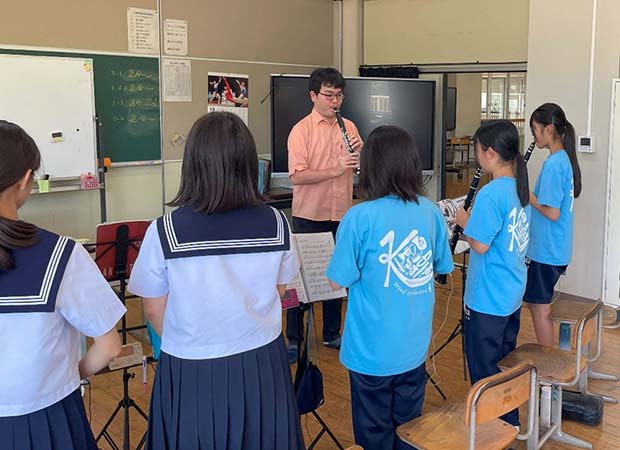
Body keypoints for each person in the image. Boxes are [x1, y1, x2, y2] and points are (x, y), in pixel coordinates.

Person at [128, 112, 304, 450]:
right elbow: (279, 290)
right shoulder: (278, 223)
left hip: (191, 364)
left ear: (193, 163)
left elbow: (153, 309)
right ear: (248, 164)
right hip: (262, 359)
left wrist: (194, 335)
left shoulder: (165, 230)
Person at [326, 126, 454, 450]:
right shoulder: (430, 212)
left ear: (369, 167)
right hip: (413, 347)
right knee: (409, 430)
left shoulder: (358, 217)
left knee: (373, 436)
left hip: (370, 352)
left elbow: (335, 280)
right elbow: (442, 267)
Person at [0, 120, 125, 450]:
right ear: (26, 179)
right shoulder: (60, 255)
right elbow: (109, 347)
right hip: (47, 418)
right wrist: (75, 373)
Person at [455, 120, 531, 427]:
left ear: (489, 152)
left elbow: (482, 245)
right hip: (511, 293)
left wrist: (463, 222)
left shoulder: (490, 194)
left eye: (477, 150)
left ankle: (491, 431)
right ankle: (508, 421)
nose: (476, 156)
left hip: (487, 298)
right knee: (503, 364)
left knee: (484, 370)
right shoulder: (520, 187)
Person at [286, 66, 363, 361]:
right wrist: (336, 169)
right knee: (300, 278)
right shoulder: (301, 130)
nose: (335, 102)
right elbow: (297, 176)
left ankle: (332, 333)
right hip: (309, 214)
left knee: (337, 275)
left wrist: (360, 153)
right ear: (313, 96)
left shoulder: (350, 127)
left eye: (339, 96)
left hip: (341, 212)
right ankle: (294, 338)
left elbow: (356, 167)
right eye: (329, 96)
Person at [524, 103, 582, 346]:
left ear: (548, 129)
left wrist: (527, 195)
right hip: (554, 248)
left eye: (535, 130)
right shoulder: (562, 160)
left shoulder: (554, 164)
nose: (533, 136)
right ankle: (548, 366)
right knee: (537, 305)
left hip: (546, 252)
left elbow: (552, 212)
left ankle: (548, 369)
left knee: (540, 309)